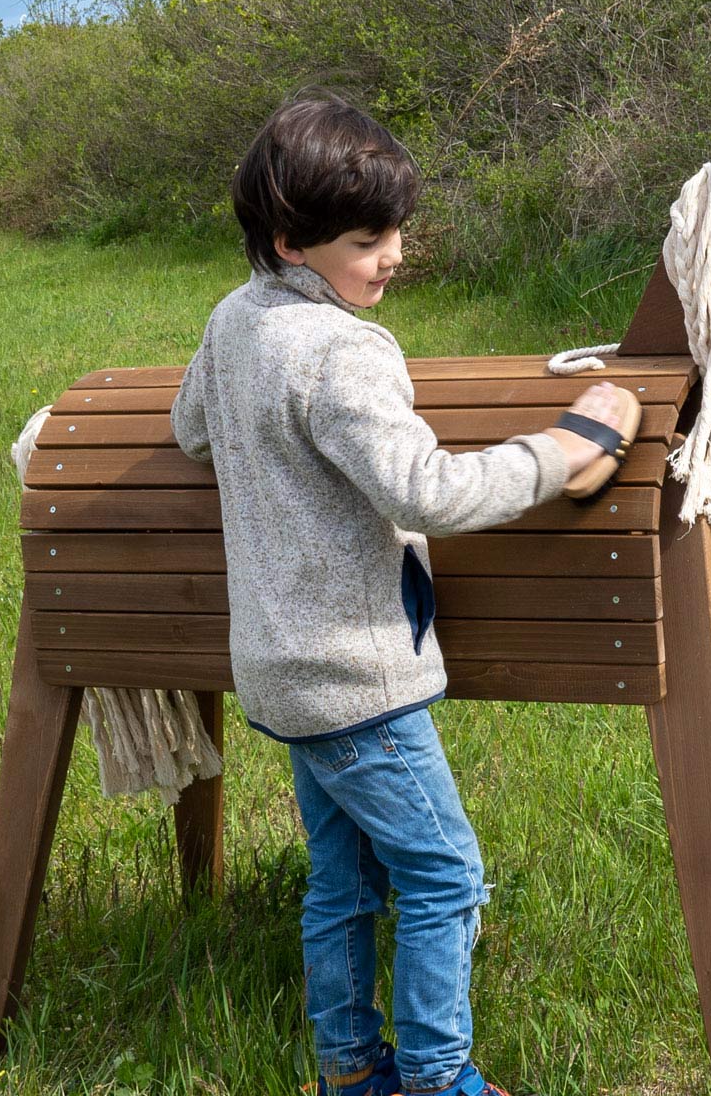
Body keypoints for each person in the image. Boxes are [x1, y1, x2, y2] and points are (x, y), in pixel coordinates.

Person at [170, 89, 637, 1096]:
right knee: (442, 874)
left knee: (343, 881)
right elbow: (429, 491)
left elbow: (188, 429)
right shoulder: (341, 350)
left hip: (283, 674)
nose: (392, 254)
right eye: (369, 238)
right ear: (295, 242)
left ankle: (350, 1070)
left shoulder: (233, 321)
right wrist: (566, 447)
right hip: (360, 678)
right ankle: (434, 1078)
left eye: (396, 231)